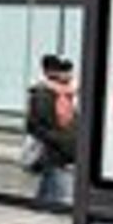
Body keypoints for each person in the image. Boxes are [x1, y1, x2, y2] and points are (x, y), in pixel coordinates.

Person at [25, 54, 79, 207]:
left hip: (63, 151)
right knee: (60, 197)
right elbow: (35, 126)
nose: (69, 74)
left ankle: (40, 207)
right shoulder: (43, 94)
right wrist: (61, 141)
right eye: (65, 70)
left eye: (69, 70)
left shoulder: (70, 93)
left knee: (49, 193)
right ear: (51, 73)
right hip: (55, 151)